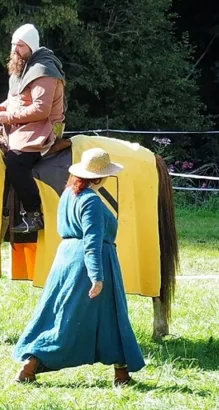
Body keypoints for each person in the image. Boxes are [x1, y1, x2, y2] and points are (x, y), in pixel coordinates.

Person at [12, 147, 145, 386]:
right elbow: (92, 240)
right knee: (72, 318)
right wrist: (97, 276)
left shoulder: (69, 194)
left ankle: (122, 374)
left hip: (67, 259)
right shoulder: (92, 200)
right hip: (89, 263)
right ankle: (30, 366)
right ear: (102, 176)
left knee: (80, 314)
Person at [0, 23, 66, 233]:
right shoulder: (22, 68)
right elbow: (15, 101)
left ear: (31, 47)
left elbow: (41, 110)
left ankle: (34, 215)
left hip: (42, 128)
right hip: (22, 125)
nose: (15, 51)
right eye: (14, 46)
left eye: (20, 46)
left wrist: (7, 117)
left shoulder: (43, 71)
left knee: (16, 160)